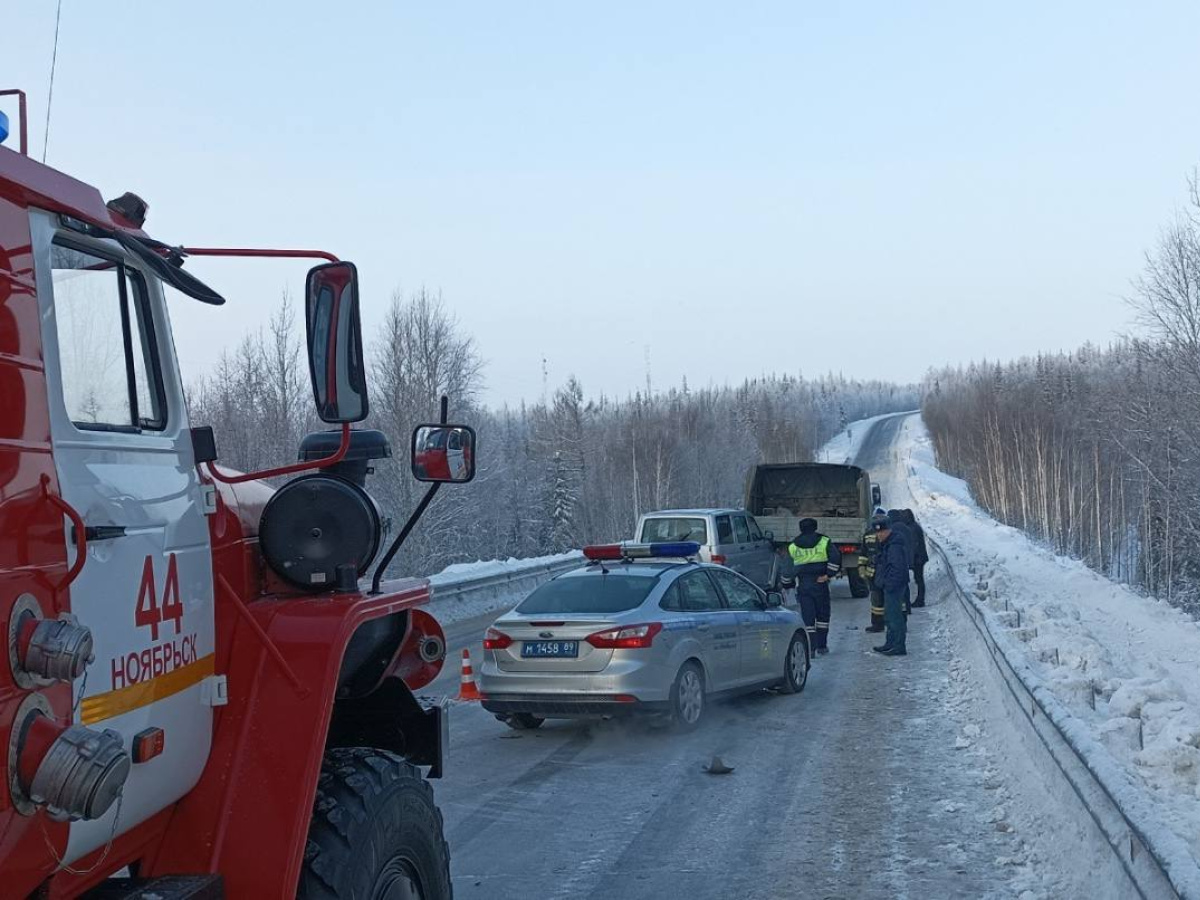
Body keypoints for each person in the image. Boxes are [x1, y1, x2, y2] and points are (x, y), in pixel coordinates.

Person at [787, 518, 841, 655]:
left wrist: (788, 583)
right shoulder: (824, 541)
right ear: (815, 527)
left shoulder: (793, 545)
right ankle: (822, 646)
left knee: (808, 617)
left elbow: (787, 568)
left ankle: (811, 648)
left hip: (804, 584)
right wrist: (828, 575)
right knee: (822, 616)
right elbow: (835, 558)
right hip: (820, 583)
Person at [870, 513, 909, 656]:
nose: (878, 535)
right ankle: (890, 643)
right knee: (889, 616)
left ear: (888, 530)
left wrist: (889, 583)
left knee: (895, 617)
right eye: (877, 532)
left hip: (894, 586)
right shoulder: (887, 544)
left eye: (881, 531)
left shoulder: (894, 546)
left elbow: (897, 568)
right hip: (890, 585)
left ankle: (898, 646)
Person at [858, 507, 886, 632]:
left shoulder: (884, 534)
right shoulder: (869, 534)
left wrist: (862, 567)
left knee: (879, 600)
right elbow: (864, 553)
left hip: (880, 573)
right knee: (876, 601)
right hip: (874, 574)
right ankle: (878, 624)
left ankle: (880, 624)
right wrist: (861, 567)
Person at [886, 509, 914, 615]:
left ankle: (902, 609)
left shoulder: (892, 529)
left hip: (897, 559)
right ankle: (908, 606)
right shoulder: (906, 528)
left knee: (899, 586)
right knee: (905, 584)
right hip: (906, 559)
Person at [902, 509, 929, 607]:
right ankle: (920, 599)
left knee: (919, 579)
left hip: (918, 558)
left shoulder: (911, 528)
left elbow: (913, 545)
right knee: (919, 579)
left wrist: (910, 560)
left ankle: (920, 600)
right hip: (920, 557)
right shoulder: (914, 526)